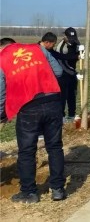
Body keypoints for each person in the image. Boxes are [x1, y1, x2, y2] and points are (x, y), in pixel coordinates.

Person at [0, 41, 67, 203]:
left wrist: (1, 114)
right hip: (53, 101)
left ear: (3, 48)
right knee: (55, 146)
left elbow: (1, 89)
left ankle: (29, 193)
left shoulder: (2, 58)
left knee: (27, 151)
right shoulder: (38, 48)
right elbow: (58, 72)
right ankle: (58, 190)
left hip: (28, 106)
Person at [54, 27, 81, 122]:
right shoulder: (61, 46)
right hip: (63, 72)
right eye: (69, 38)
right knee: (63, 95)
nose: (71, 40)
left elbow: (77, 55)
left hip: (72, 72)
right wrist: (72, 71)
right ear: (65, 36)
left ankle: (72, 114)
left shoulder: (77, 43)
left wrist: (82, 54)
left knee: (72, 94)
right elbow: (62, 60)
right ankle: (61, 116)